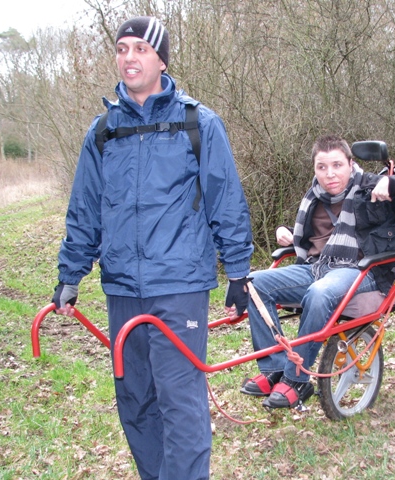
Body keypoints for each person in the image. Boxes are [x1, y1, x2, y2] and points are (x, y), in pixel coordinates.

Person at [51, 16, 253, 480]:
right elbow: (85, 209)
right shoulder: (102, 132)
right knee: (135, 399)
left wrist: (239, 271)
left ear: (161, 59)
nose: (128, 58)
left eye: (140, 48)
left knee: (180, 400)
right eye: (122, 49)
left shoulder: (197, 122)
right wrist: (70, 275)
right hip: (122, 286)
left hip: (179, 285)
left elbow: (226, 199)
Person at [240, 135, 395, 409]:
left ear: (350, 164)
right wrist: (287, 233)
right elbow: (312, 242)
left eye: (337, 165)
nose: (330, 174)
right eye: (322, 167)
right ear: (314, 169)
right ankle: (274, 368)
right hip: (317, 268)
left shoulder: (372, 188)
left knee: (321, 293)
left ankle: (297, 378)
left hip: (362, 270)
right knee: (254, 283)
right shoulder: (314, 197)